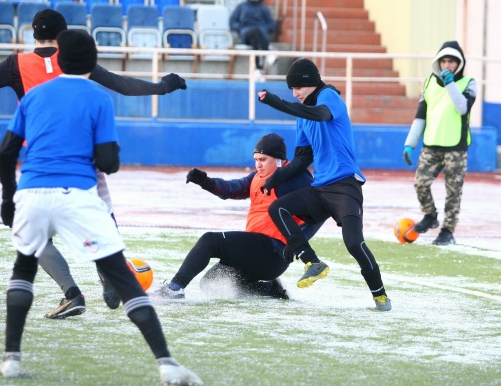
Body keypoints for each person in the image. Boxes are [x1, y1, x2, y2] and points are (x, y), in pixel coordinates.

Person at [0, 29, 203, 385]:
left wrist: (7, 198)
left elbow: (5, 152)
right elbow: (108, 162)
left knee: (24, 267)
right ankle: (168, 365)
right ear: (93, 61)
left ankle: (10, 359)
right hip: (77, 195)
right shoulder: (98, 98)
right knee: (121, 276)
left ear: (60, 60)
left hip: (31, 192)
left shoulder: (34, 96)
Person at [0, 8, 187, 319]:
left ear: (33, 34)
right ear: (64, 33)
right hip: (85, 159)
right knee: (102, 214)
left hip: (42, 162)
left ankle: (71, 293)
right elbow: (122, 85)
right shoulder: (75, 60)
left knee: (33, 234)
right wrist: (162, 86)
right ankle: (108, 272)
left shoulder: (16, 64)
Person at [257, 58, 392, 312]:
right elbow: (302, 159)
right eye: (291, 89)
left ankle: (380, 295)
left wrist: (277, 103)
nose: (295, 94)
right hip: (320, 189)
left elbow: (320, 114)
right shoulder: (302, 115)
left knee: (354, 243)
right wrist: (274, 178)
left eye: (298, 87)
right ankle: (311, 261)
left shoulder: (328, 96)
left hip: (345, 185)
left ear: (310, 83)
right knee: (278, 208)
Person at [154, 133, 320, 300]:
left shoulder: (295, 176)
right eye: (256, 160)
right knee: (212, 283)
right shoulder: (257, 177)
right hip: (256, 254)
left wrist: (297, 241)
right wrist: (205, 182)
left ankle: (174, 289)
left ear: (279, 160)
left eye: (263, 159)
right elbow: (230, 189)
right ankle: (271, 289)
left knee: (209, 240)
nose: (258, 164)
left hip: (272, 251)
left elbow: (319, 210)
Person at [403, 41, 476, 246]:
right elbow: (420, 116)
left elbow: (462, 108)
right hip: (431, 145)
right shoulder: (429, 83)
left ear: (459, 63)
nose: (447, 65)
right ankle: (430, 215)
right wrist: (410, 144)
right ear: (438, 62)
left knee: (453, 192)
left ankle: (447, 231)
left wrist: (450, 84)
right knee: (420, 183)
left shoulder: (468, 83)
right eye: (443, 61)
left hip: (456, 147)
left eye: (451, 61)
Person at [229, 0, 277, 82]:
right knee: (255, 32)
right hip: (246, 33)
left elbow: (272, 25)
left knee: (257, 38)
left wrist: (264, 29)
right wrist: (240, 28)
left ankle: (259, 70)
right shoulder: (241, 6)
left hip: (260, 35)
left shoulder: (264, 9)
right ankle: (268, 54)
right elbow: (232, 21)